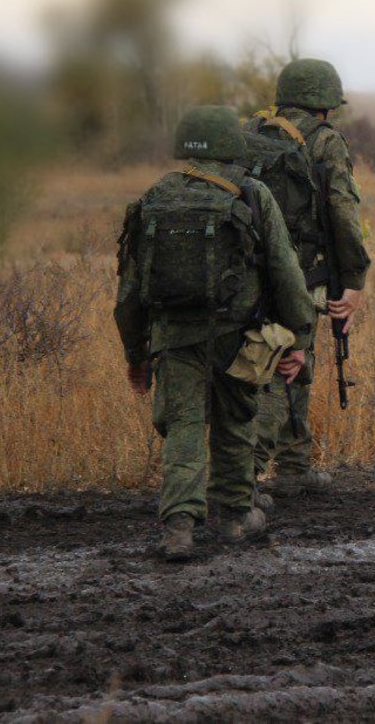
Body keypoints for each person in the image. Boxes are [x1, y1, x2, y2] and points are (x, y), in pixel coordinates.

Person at [115, 105, 317, 560]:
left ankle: (179, 528)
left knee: (183, 429)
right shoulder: (251, 193)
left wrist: (136, 354)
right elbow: (286, 271)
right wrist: (299, 340)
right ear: (232, 144)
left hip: (173, 339)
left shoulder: (154, 197)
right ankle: (233, 518)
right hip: (237, 335)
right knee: (236, 424)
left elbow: (129, 292)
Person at [245, 58, 372, 503]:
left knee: (293, 358)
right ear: (325, 104)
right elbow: (343, 212)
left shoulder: (253, 132)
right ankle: (244, 478)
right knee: (286, 363)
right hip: (299, 271)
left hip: (246, 269)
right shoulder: (325, 142)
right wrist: (354, 279)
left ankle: (295, 465)